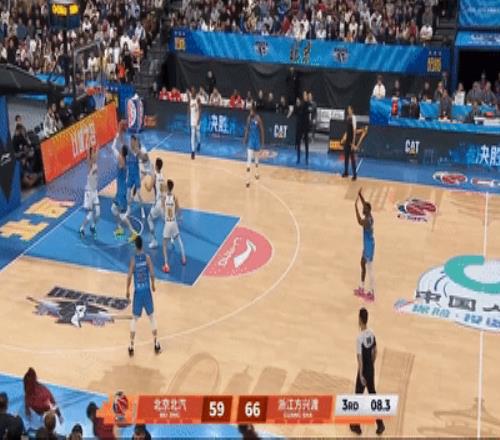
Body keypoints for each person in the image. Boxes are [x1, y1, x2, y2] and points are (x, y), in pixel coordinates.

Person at [350, 308, 385, 436]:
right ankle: (380, 424)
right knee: (372, 395)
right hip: (371, 369)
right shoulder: (372, 333)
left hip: (363, 371)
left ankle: (357, 426)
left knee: (358, 397)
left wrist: (361, 375)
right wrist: (372, 364)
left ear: (360, 320)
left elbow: (360, 360)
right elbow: (375, 351)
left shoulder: (359, 338)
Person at [127, 235, 161, 356]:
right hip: (146, 291)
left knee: (134, 319)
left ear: (135, 246)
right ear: (142, 245)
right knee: (151, 317)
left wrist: (127, 290)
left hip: (138, 292)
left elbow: (129, 276)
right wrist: (153, 285)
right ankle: (156, 343)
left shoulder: (133, 260)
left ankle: (131, 346)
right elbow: (152, 273)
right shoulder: (147, 258)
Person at [111, 134, 138, 241]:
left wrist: (116, 137)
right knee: (114, 209)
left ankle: (133, 233)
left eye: (121, 149)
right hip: (120, 190)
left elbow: (113, 148)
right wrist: (120, 139)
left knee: (122, 215)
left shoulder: (121, 160)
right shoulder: (124, 159)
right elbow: (121, 148)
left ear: (122, 152)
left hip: (122, 192)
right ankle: (120, 228)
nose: (120, 149)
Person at [354, 189, 375, 301]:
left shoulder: (366, 221)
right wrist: (360, 195)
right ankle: (362, 288)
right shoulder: (369, 215)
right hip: (368, 244)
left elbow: (359, 221)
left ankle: (371, 293)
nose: (363, 209)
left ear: (367, 211)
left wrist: (355, 208)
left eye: (364, 209)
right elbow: (365, 204)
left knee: (369, 268)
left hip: (369, 246)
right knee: (362, 264)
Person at [162, 179, 187, 273]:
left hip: (167, 223)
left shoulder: (164, 198)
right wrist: (179, 216)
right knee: (179, 240)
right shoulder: (175, 197)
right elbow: (178, 209)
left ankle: (166, 265)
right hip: (173, 222)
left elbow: (163, 210)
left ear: (167, 187)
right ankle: (183, 258)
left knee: (164, 245)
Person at [79, 146, 100, 238]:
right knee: (90, 215)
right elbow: (88, 156)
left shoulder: (95, 162)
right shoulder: (90, 163)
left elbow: (97, 152)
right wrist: (88, 149)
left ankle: (92, 226)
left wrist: (97, 148)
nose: (95, 154)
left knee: (98, 213)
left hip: (95, 191)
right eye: (93, 153)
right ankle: (82, 228)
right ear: (90, 155)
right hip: (89, 192)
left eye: (94, 152)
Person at [243, 105, 264, 188]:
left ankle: (256, 173)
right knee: (249, 160)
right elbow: (247, 129)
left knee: (256, 160)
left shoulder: (258, 119)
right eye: (250, 111)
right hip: (251, 142)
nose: (250, 112)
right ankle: (247, 180)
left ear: (254, 111)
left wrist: (262, 143)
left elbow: (262, 131)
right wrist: (245, 138)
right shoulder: (248, 118)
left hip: (257, 142)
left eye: (251, 111)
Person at [127, 135, 147, 219]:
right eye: (130, 140)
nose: (131, 142)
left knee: (138, 194)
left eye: (132, 140)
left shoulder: (137, 152)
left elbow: (144, 158)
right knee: (128, 193)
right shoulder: (129, 151)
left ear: (135, 141)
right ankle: (128, 209)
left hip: (136, 175)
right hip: (130, 176)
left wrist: (138, 151)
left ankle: (142, 209)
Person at [147, 158, 165, 249]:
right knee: (166, 221)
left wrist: (145, 185)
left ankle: (154, 241)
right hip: (163, 203)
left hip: (158, 203)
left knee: (149, 219)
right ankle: (172, 238)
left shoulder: (155, 175)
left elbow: (149, 188)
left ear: (157, 166)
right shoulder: (162, 176)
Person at [340, 105, 357, 180]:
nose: (348, 110)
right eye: (348, 109)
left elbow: (354, 130)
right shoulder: (347, 118)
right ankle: (346, 172)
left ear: (352, 110)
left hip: (351, 141)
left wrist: (353, 142)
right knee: (346, 157)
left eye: (349, 109)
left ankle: (354, 175)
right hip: (347, 141)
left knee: (352, 158)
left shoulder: (353, 118)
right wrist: (344, 137)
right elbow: (347, 130)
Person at [188, 87, 201, 159]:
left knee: (197, 133)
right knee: (192, 135)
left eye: (194, 91)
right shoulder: (190, 99)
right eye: (192, 91)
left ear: (195, 92)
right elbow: (189, 109)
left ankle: (199, 143)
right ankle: (193, 151)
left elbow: (200, 109)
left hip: (197, 118)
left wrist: (199, 118)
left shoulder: (198, 99)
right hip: (192, 119)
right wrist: (188, 117)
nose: (193, 92)